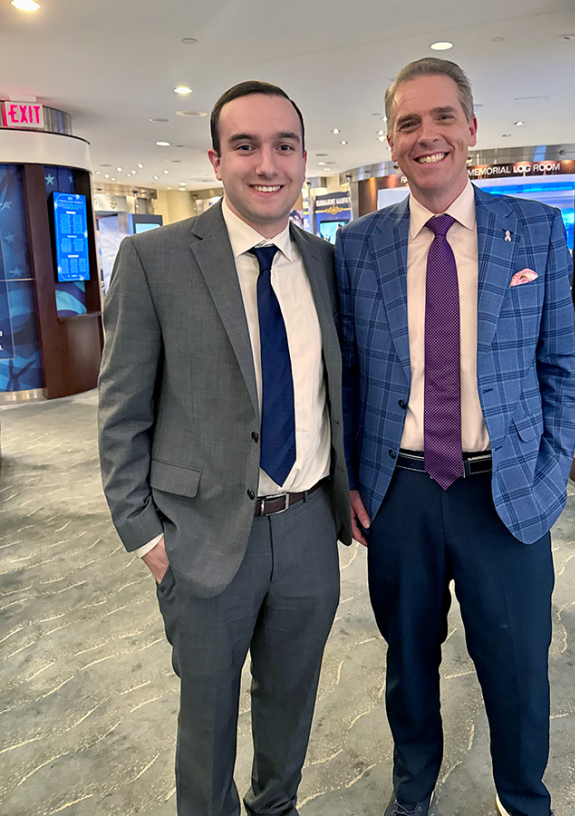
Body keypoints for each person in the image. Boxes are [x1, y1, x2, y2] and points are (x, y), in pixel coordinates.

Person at [335, 58, 575, 816]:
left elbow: (560, 368)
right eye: (409, 123)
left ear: (471, 129)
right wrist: (348, 480)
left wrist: (548, 477)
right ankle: (414, 793)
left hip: (504, 494)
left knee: (515, 665)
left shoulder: (535, 230)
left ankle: (522, 796)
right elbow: (346, 375)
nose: (427, 135)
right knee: (408, 663)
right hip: (400, 493)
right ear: (391, 139)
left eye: (443, 117)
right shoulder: (357, 245)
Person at [98, 80, 351, 816]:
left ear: (304, 158)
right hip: (199, 534)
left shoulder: (326, 263)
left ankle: (278, 807)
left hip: (307, 526)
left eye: (284, 145)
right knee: (206, 717)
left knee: (291, 703)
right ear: (216, 158)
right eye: (245, 145)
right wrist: (142, 534)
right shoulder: (155, 259)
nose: (266, 162)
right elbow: (121, 412)